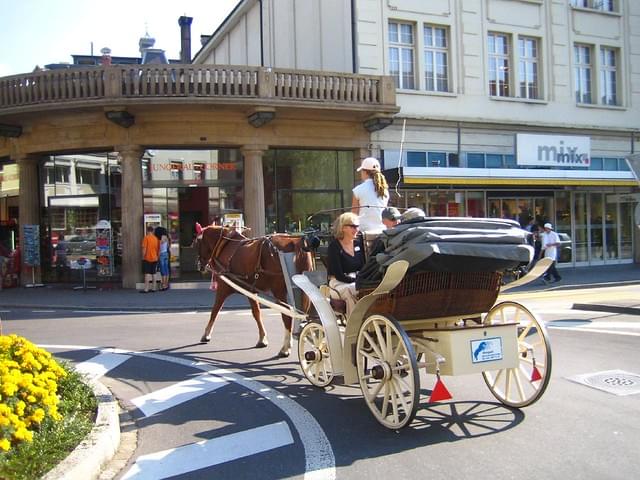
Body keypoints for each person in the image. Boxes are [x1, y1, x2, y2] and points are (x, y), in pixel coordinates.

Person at [327, 212, 365, 317]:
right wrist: (357, 281)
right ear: (343, 228)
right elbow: (338, 275)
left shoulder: (359, 244)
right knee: (352, 289)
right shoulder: (334, 246)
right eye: (352, 226)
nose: (356, 229)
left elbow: (364, 266)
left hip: (356, 279)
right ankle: (353, 325)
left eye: (357, 226)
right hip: (338, 283)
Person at [352, 157, 389, 232]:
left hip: (363, 231)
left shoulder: (358, 190)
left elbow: (353, 214)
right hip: (382, 231)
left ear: (365, 172)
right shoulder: (384, 190)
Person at [141, 225, 160, 293]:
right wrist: (157, 256)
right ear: (152, 231)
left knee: (147, 274)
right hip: (155, 258)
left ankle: (146, 289)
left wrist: (143, 257)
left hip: (148, 258)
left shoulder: (146, 238)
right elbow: (158, 249)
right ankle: (154, 288)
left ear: (147, 231)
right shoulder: (156, 239)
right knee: (154, 273)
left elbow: (144, 249)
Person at [155, 226, 171, 291]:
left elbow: (159, 248)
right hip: (166, 254)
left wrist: (157, 256)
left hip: (161, 254)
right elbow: (168, 246)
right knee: (166, 269)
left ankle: (163, 285)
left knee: (162, 270)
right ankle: (166, 284)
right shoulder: (166, 237)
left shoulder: (159, 239)